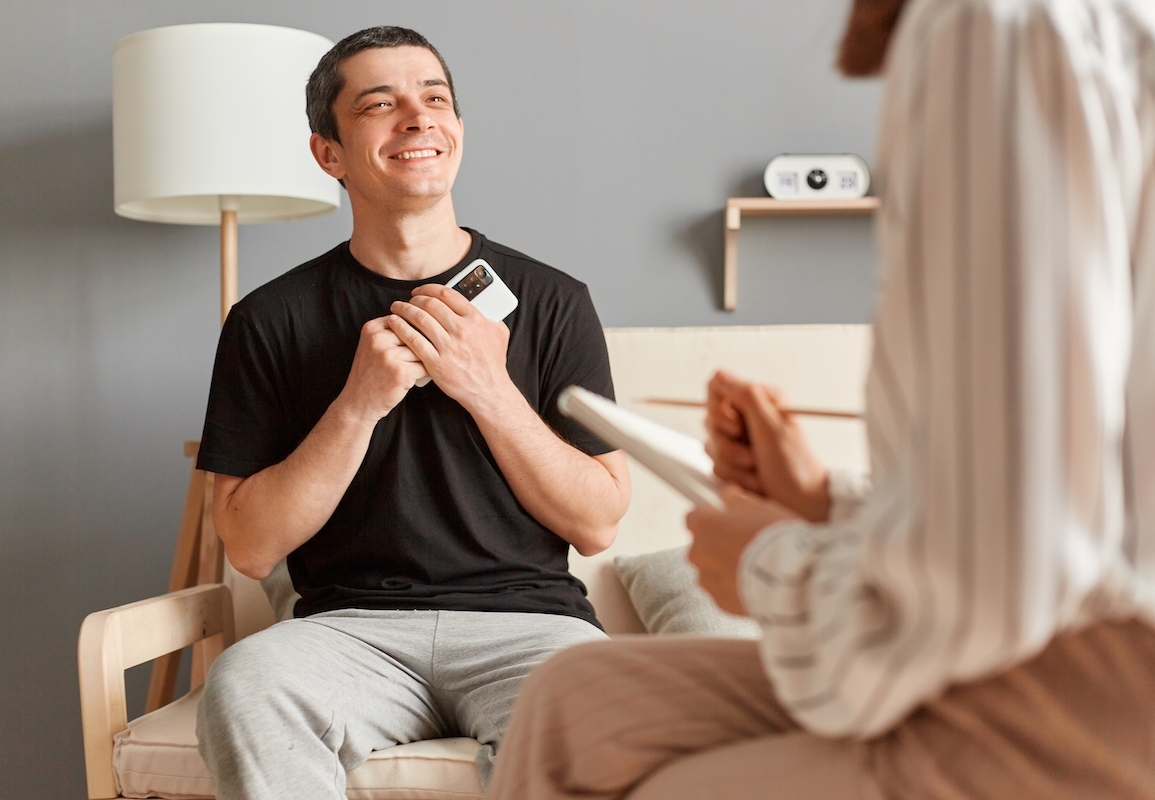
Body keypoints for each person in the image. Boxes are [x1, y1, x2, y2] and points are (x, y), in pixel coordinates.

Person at [485, 0, 1155, 797]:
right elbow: (1064, 495)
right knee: (577, 700)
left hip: (1080, 689)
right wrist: (821, 501)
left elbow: (1006, 578)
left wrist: (772, 566)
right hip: (1049, 632)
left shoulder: (997, 28)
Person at [192, 26, 631, 800]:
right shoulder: (268, 320)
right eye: (380, 104)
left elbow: (597, 522)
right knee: (247, 684)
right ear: (328, 153)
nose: (419, 118)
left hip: (530, 627)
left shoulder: (557, 302)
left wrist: (487, 387)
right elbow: (250, 547)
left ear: (457, 129)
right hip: (345, 632)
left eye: (435, 99)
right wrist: (358, 403)